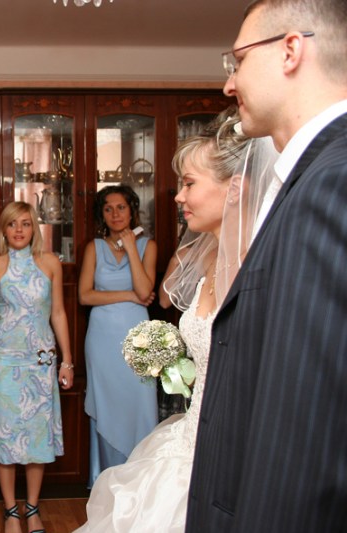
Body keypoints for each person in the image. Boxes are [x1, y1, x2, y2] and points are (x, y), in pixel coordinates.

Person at [75, 108, 277, 532]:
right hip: (190, 431)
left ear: (235, 189)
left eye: (189, 184)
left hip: (229, 440)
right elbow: (150, 297)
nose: (177, 197)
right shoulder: (206, 259)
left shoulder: (258, 267)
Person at [187, 1, 347, 530]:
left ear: (290, 50)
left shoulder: (333, 182)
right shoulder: (308, 176)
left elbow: (307, 422)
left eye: (237, 61)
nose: (228, 84)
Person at [0, 201, 74, 533]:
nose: (19, 230)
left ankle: (32, 509)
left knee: (37, 439)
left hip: (41, 361)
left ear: (34, 228)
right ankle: (10, 512)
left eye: (25, 223)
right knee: (5, 439)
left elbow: (58, 313)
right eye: (12, 224)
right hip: (3, 361)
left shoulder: (50, 263)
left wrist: (67, 361)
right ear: (3, 230)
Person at [79, 185, 158, 485]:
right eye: (108, 208)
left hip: (137, 338)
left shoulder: (148, 246)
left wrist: (131, 248)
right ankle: (106, 480)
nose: (115, 214)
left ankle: (139, 481)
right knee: (107, 403)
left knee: (140, 403)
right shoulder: (94, 247)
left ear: (132, 210)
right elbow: (85, 296)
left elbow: (145, 290)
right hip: (101, 340)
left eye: (121, 207)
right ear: (102, 214)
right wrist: (129, 296)